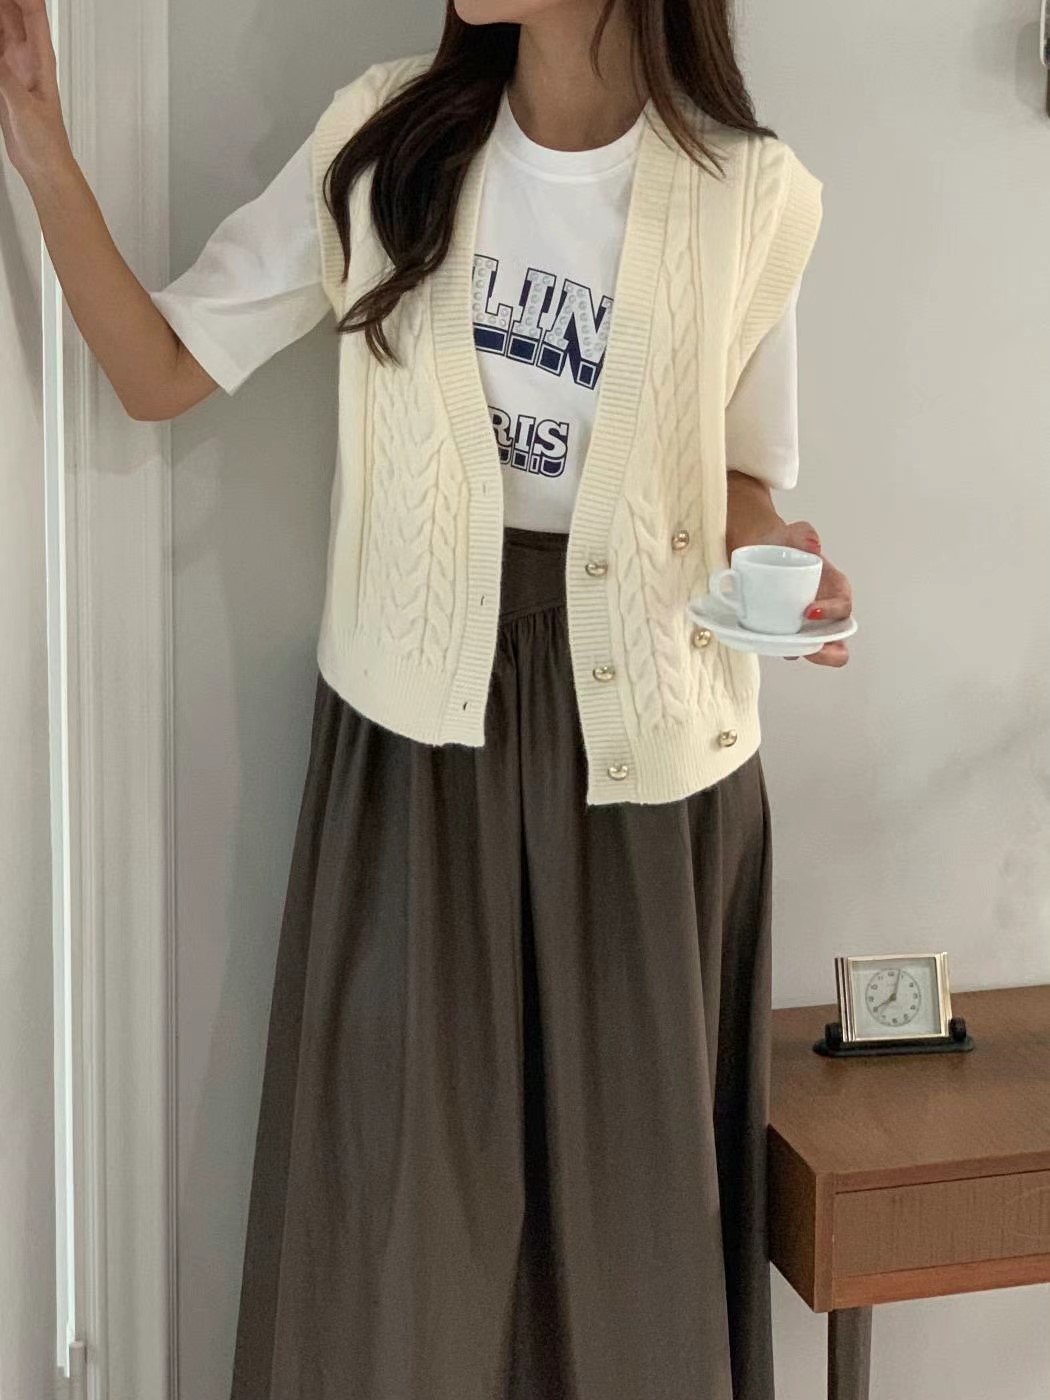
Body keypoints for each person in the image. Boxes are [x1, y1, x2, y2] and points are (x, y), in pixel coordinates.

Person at [0, 0, 853, 1396]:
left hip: (649, 771)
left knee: (634, 1258)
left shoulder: (749, 194)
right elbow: (155, 371)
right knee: (399, 1251)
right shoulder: (387, 142)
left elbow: (736, 478)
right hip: (416, 750)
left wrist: (788, 567)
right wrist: (36, 132)